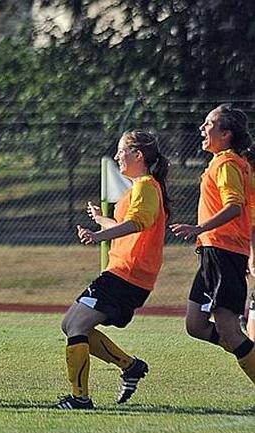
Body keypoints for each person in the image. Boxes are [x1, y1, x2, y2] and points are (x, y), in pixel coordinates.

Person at [57, 131, 170, 409]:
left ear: (137, 155)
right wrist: (100, 221)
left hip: (127, 274)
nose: (118, 156)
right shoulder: (137, 189)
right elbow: (128, 225)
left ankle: (80, 398)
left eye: (122, 151)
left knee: (76, 325)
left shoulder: (146, 186)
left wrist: (98, 237)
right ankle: (129, 366)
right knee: (70, 324)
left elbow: (138, 224)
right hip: (122, 273)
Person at [171, 104, 255, 391]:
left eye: (209, 124)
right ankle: (246, 350)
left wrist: (199, 228)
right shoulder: (225, 162)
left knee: (229, 330)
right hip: (213, 252)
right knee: (195, 324)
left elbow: (235, 207)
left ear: (226, 133)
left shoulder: (228, 164)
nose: (202, 129)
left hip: (222, 251)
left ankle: (244, 349)